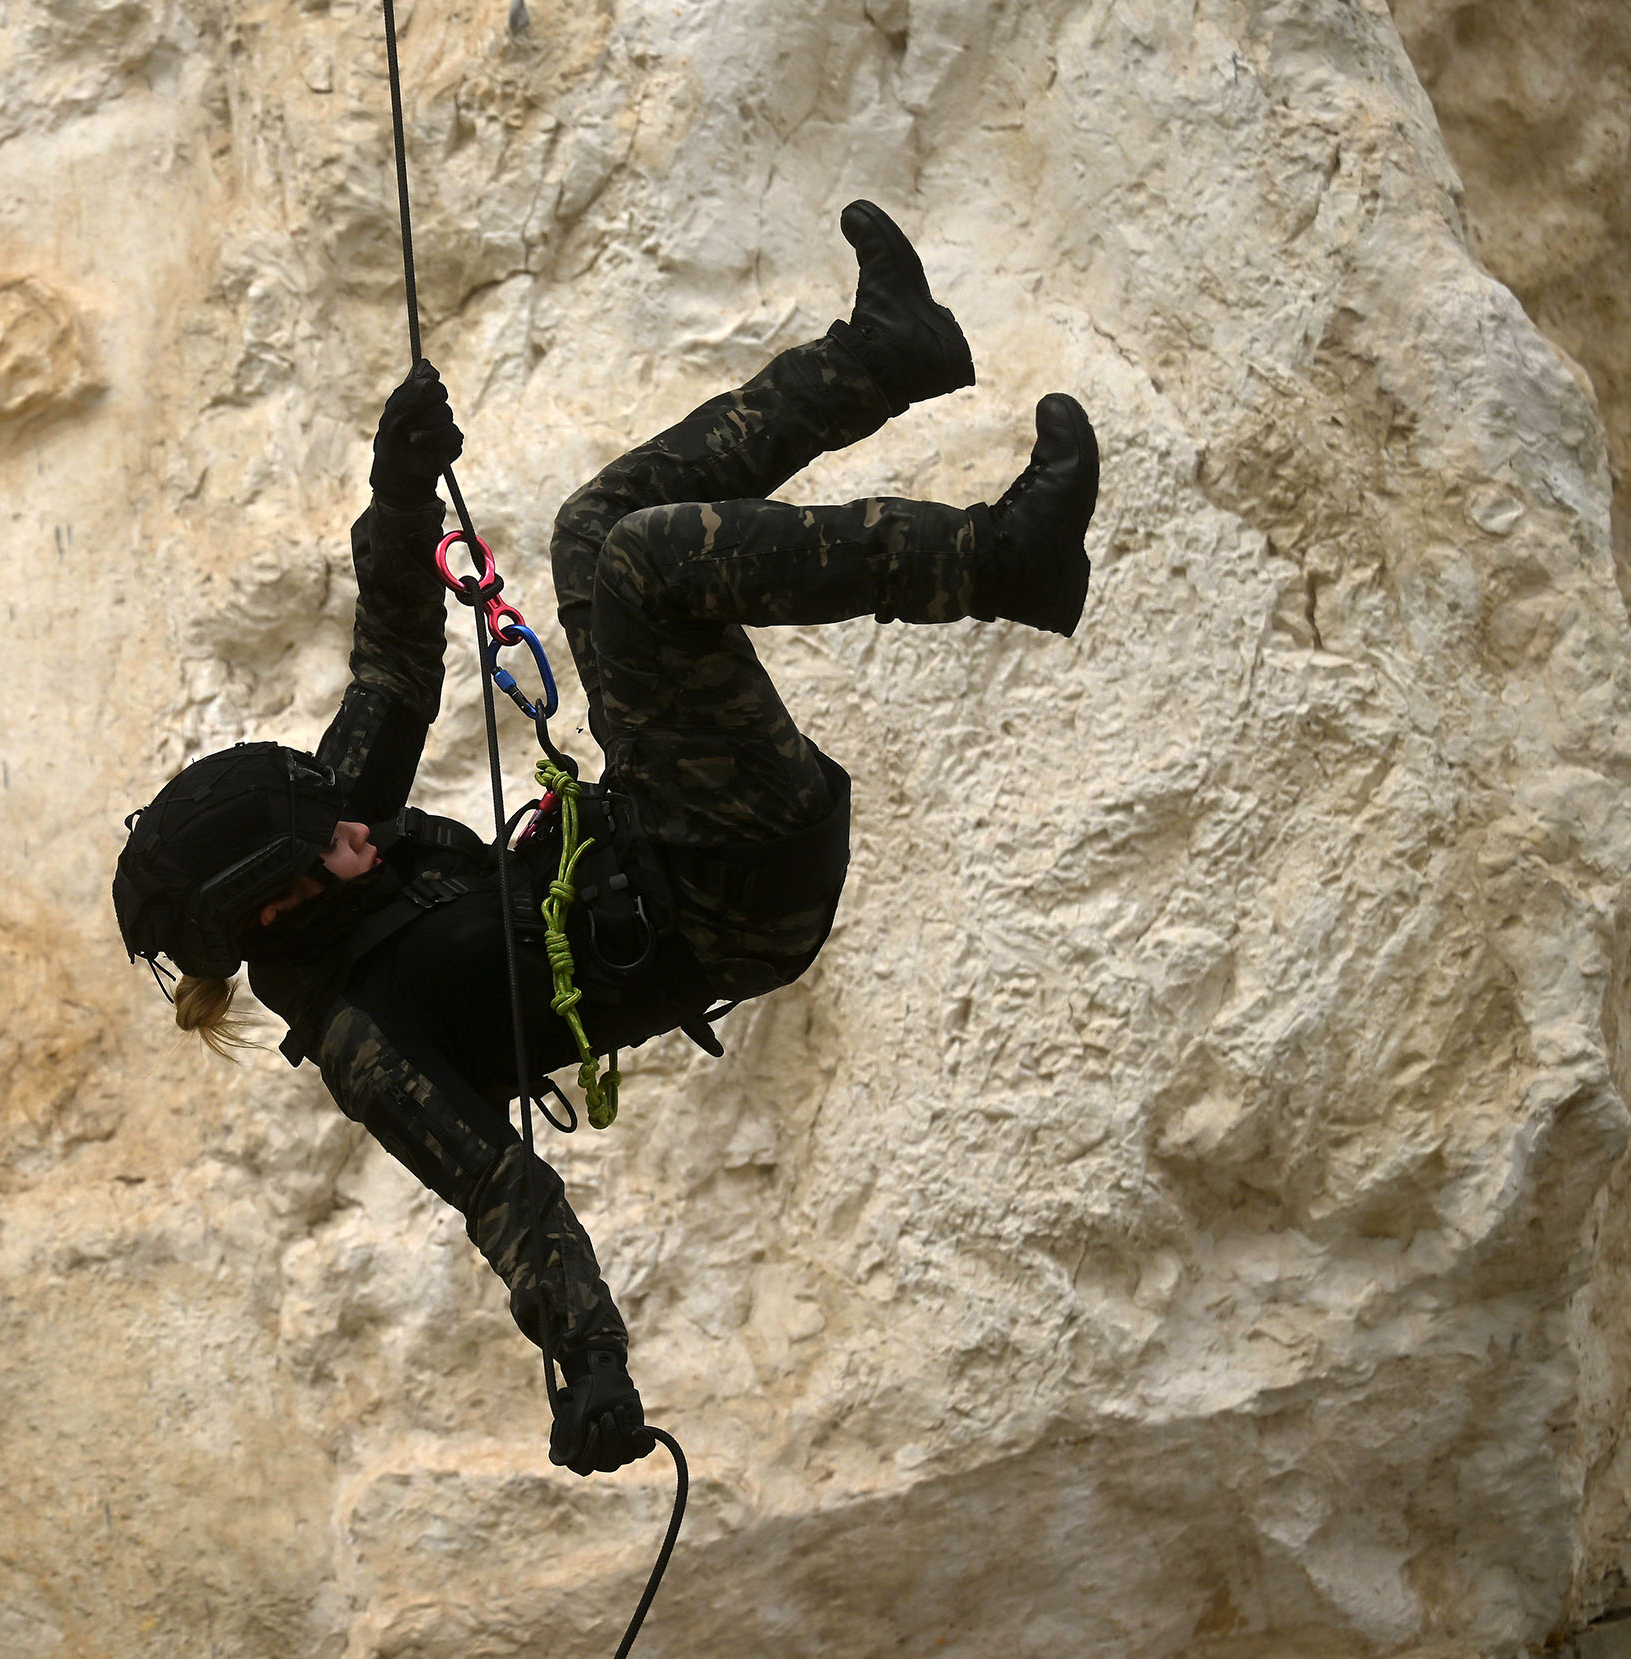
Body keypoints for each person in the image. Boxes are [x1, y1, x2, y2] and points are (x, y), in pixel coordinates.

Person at [111, 201, 1097, 1478]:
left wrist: (398, 493)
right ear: (274, 910)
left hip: (660, 830)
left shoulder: (328, 838)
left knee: (592, 532)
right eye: (329, 833)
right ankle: (1001, 560)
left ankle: (889, 354)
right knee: (635, 573)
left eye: (331, 804)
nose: (355, 811)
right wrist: (593, 1363)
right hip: (729, 896)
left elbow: (398, 665)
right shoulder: (365, 1041)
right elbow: (507, 1199)